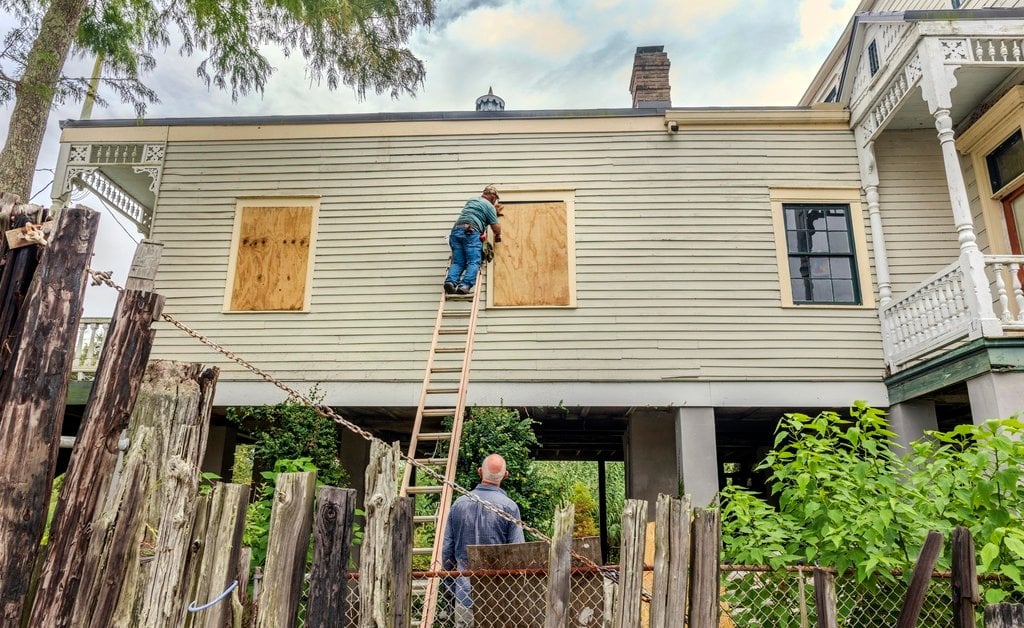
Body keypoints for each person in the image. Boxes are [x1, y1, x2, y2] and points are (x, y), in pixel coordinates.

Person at [440, 453, 525, 626]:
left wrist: (451, 585)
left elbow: (447, 550)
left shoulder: (459, 504)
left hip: (465, 592)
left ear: (480, 472)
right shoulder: (510, 507)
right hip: (500, 597)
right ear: (506, 475)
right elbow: (518, 554)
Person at [444, 185, 503, 295]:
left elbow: (477, 212)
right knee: (474, 261)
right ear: (493, 197)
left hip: (456, 232)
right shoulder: (489, 206)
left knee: (458, 262)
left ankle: (450, 282)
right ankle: (465, 285)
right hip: (471, 233)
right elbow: (496, 227)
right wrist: (498, 232)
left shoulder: (472, 200)